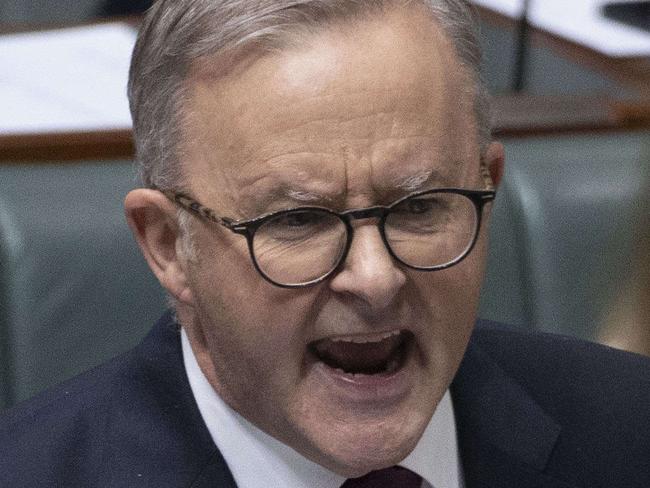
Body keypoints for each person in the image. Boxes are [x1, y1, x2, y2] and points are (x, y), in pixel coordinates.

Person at [1, 1, 649, 487]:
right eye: (297, 222)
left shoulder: (630, 430)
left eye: (421, 207)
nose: (375, 278)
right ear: (169, 245)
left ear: (488, 185)